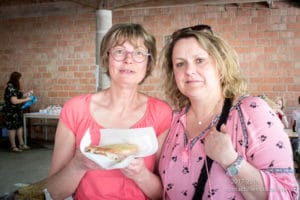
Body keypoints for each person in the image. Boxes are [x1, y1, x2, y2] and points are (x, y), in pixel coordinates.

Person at [158, 25, 299, 200]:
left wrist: (231, 161)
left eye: (199, 60)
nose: (189, 70)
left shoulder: (252, 111)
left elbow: (286, 195)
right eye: (180, 64)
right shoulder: (173, 122)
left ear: (220, 64)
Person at [45, 23, 172, 200]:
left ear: (148, 63)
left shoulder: (161, 113)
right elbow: (54, 192)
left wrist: (140, 174)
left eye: (138, 53)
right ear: (107, 58)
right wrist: (78, 165)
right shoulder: (75, 109)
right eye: (119, 51)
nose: (128, 60)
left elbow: (166, 195)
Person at [3, 71, 32, 152]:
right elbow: (14, 101)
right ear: (16, 79)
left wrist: (27, 94)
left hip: (17, 111)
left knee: (19, 127)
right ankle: (13, 146)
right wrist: (26, 99)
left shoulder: (15, 87)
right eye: (19, 79)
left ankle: (21, 144)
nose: (20, 80)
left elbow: (19, 96)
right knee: (12, 128)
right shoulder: (10, 88)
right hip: (11, 112)